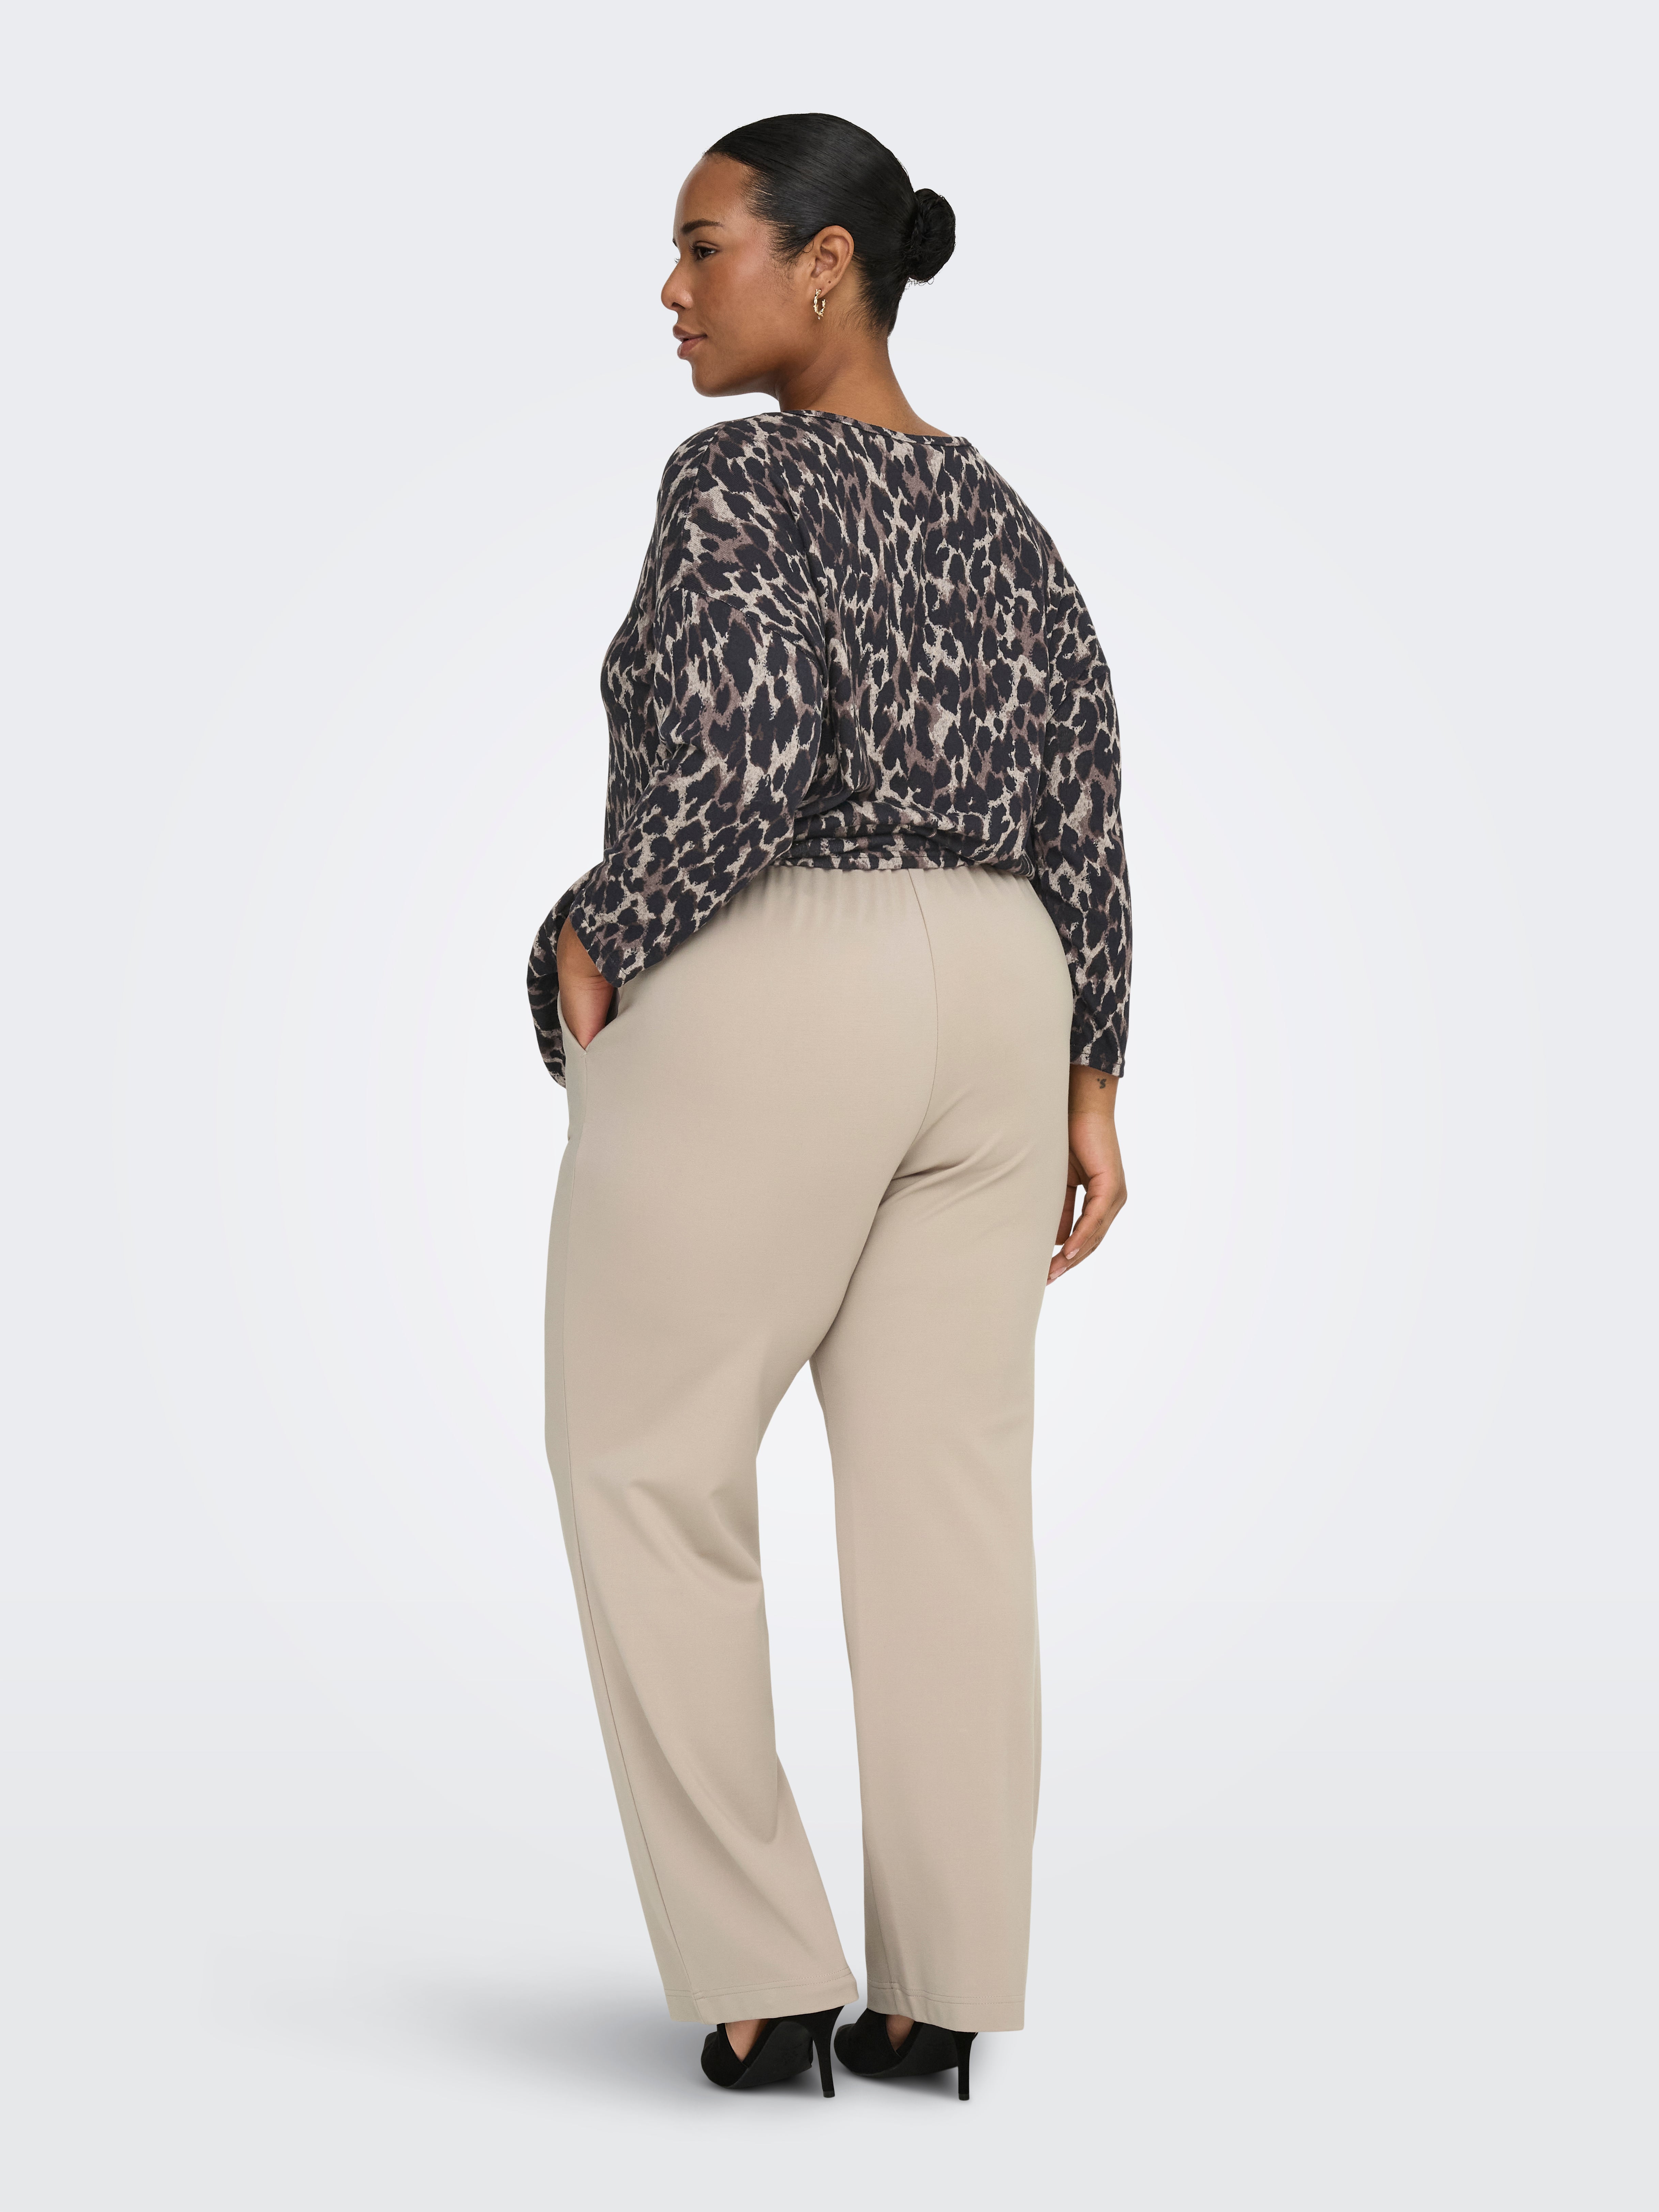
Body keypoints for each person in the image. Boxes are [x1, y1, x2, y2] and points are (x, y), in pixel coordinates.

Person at [526, 112, 1131, 2102]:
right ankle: (936, 1991)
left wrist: (596, 927)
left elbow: (745, 748)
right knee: (946, 1500)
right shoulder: (1004, 515)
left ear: (826, 266)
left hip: (793, 961)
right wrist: (1093, 1070)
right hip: (1007, 997)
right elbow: (1084, 783)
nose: (672, 290)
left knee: (646, 1458)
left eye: (704, 246)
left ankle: (761, 1974)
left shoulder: (740, 480)